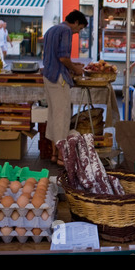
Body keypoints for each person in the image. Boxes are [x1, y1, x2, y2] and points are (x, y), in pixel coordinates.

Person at [42, 10, 88, 167]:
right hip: (58, 78)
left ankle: (54, 153)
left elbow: (56, 56)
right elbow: (62, 57)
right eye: (80, 28)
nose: (78, 32)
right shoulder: (66, 30)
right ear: (75, 22)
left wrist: (73, 65)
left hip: (48, 76)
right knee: (62, 116)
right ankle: (62, 156)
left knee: (53, 114)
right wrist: (75, 69)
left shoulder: (51, 30)